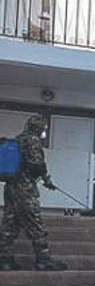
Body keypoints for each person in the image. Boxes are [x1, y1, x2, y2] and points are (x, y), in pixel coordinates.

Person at [0, 115, 67, 271]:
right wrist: (46, 180)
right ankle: (43, 259)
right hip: (25, 188)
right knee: (35, 222)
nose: (43, 132)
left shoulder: (17, 140)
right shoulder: (33, 140)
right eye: (43, 129)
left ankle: (5, 260)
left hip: (10, 188)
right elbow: (37, 164)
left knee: (10, 223)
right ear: (38, 127)